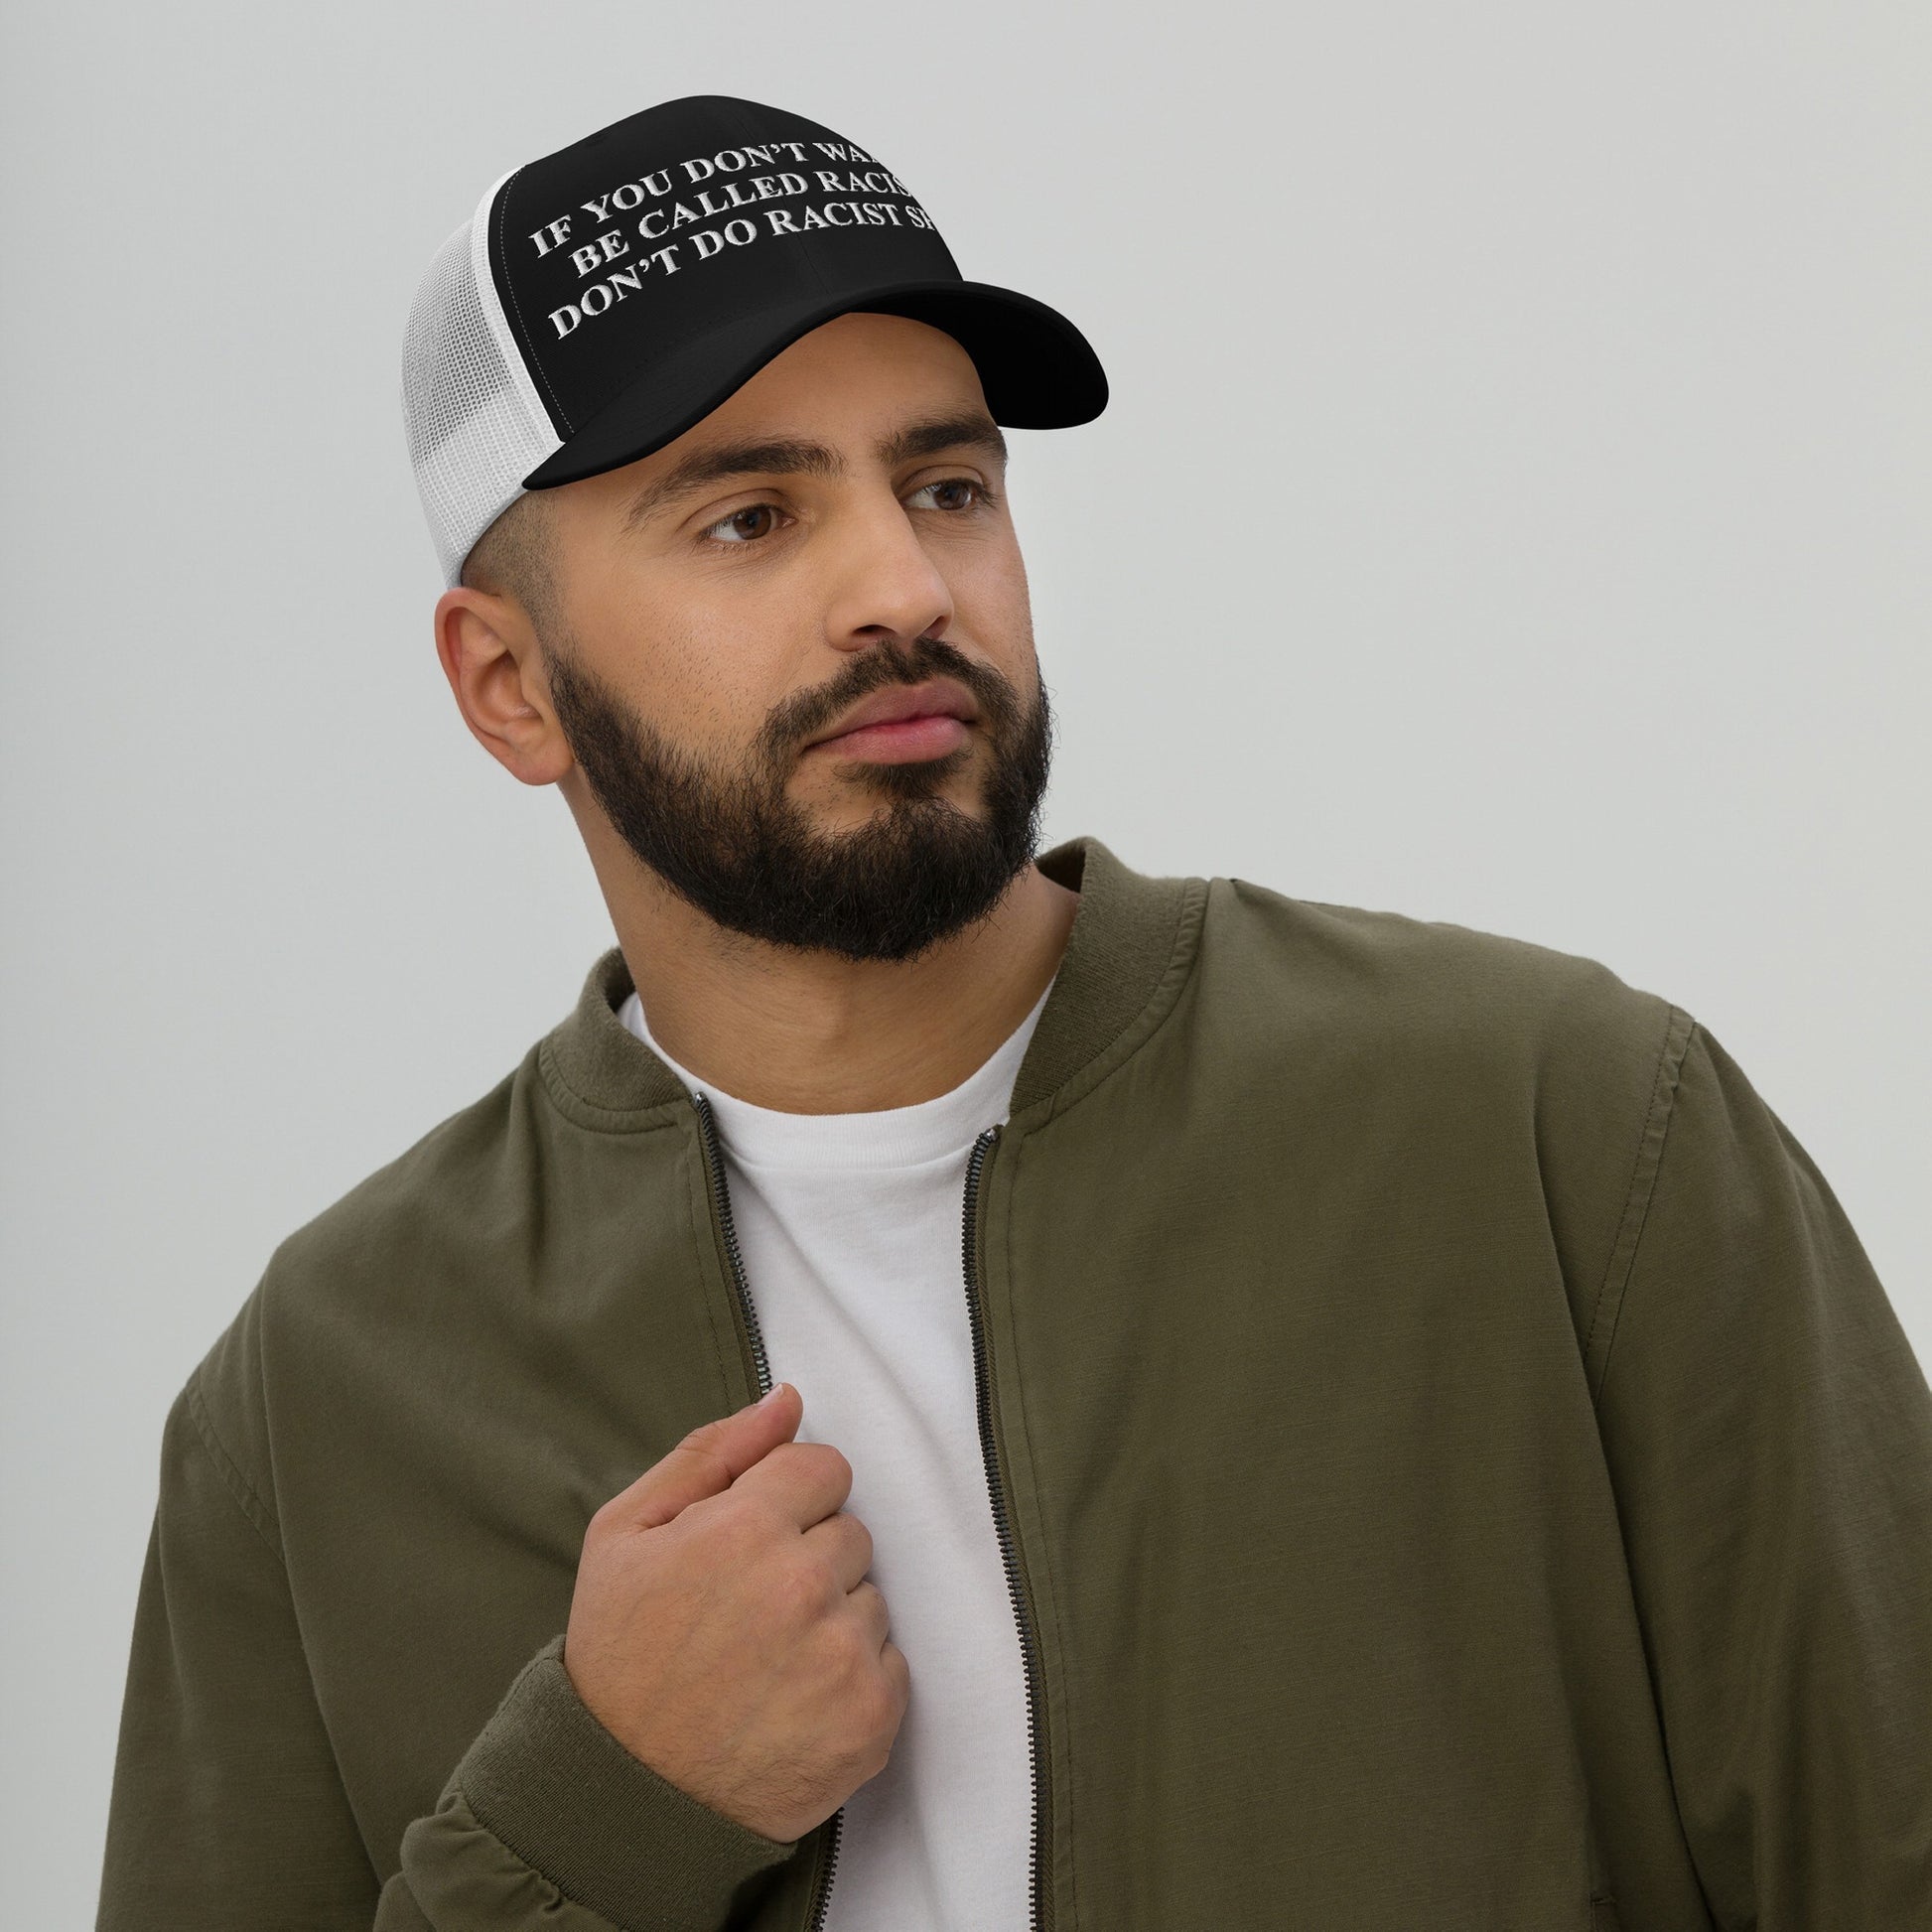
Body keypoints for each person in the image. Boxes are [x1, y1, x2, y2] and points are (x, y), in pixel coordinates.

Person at [95, 93, 1931, 1932]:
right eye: (749, 517)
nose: (902, 588)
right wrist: (593, 1814)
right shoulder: (321, 1405)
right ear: (509, 687)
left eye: (947, 485)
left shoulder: (1559, 1139)